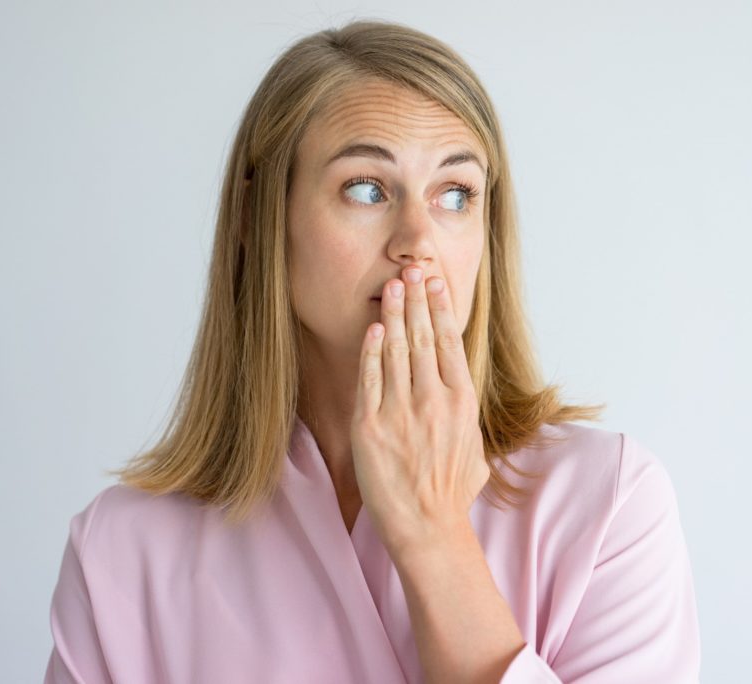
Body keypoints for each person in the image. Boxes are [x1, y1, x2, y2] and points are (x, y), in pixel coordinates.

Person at [44, 19, 701, 684]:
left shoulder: (608, 507)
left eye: (455, 194)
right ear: (257, 220)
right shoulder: (120, 554)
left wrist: (435, 536)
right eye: (367, 188)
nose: (417, 240)